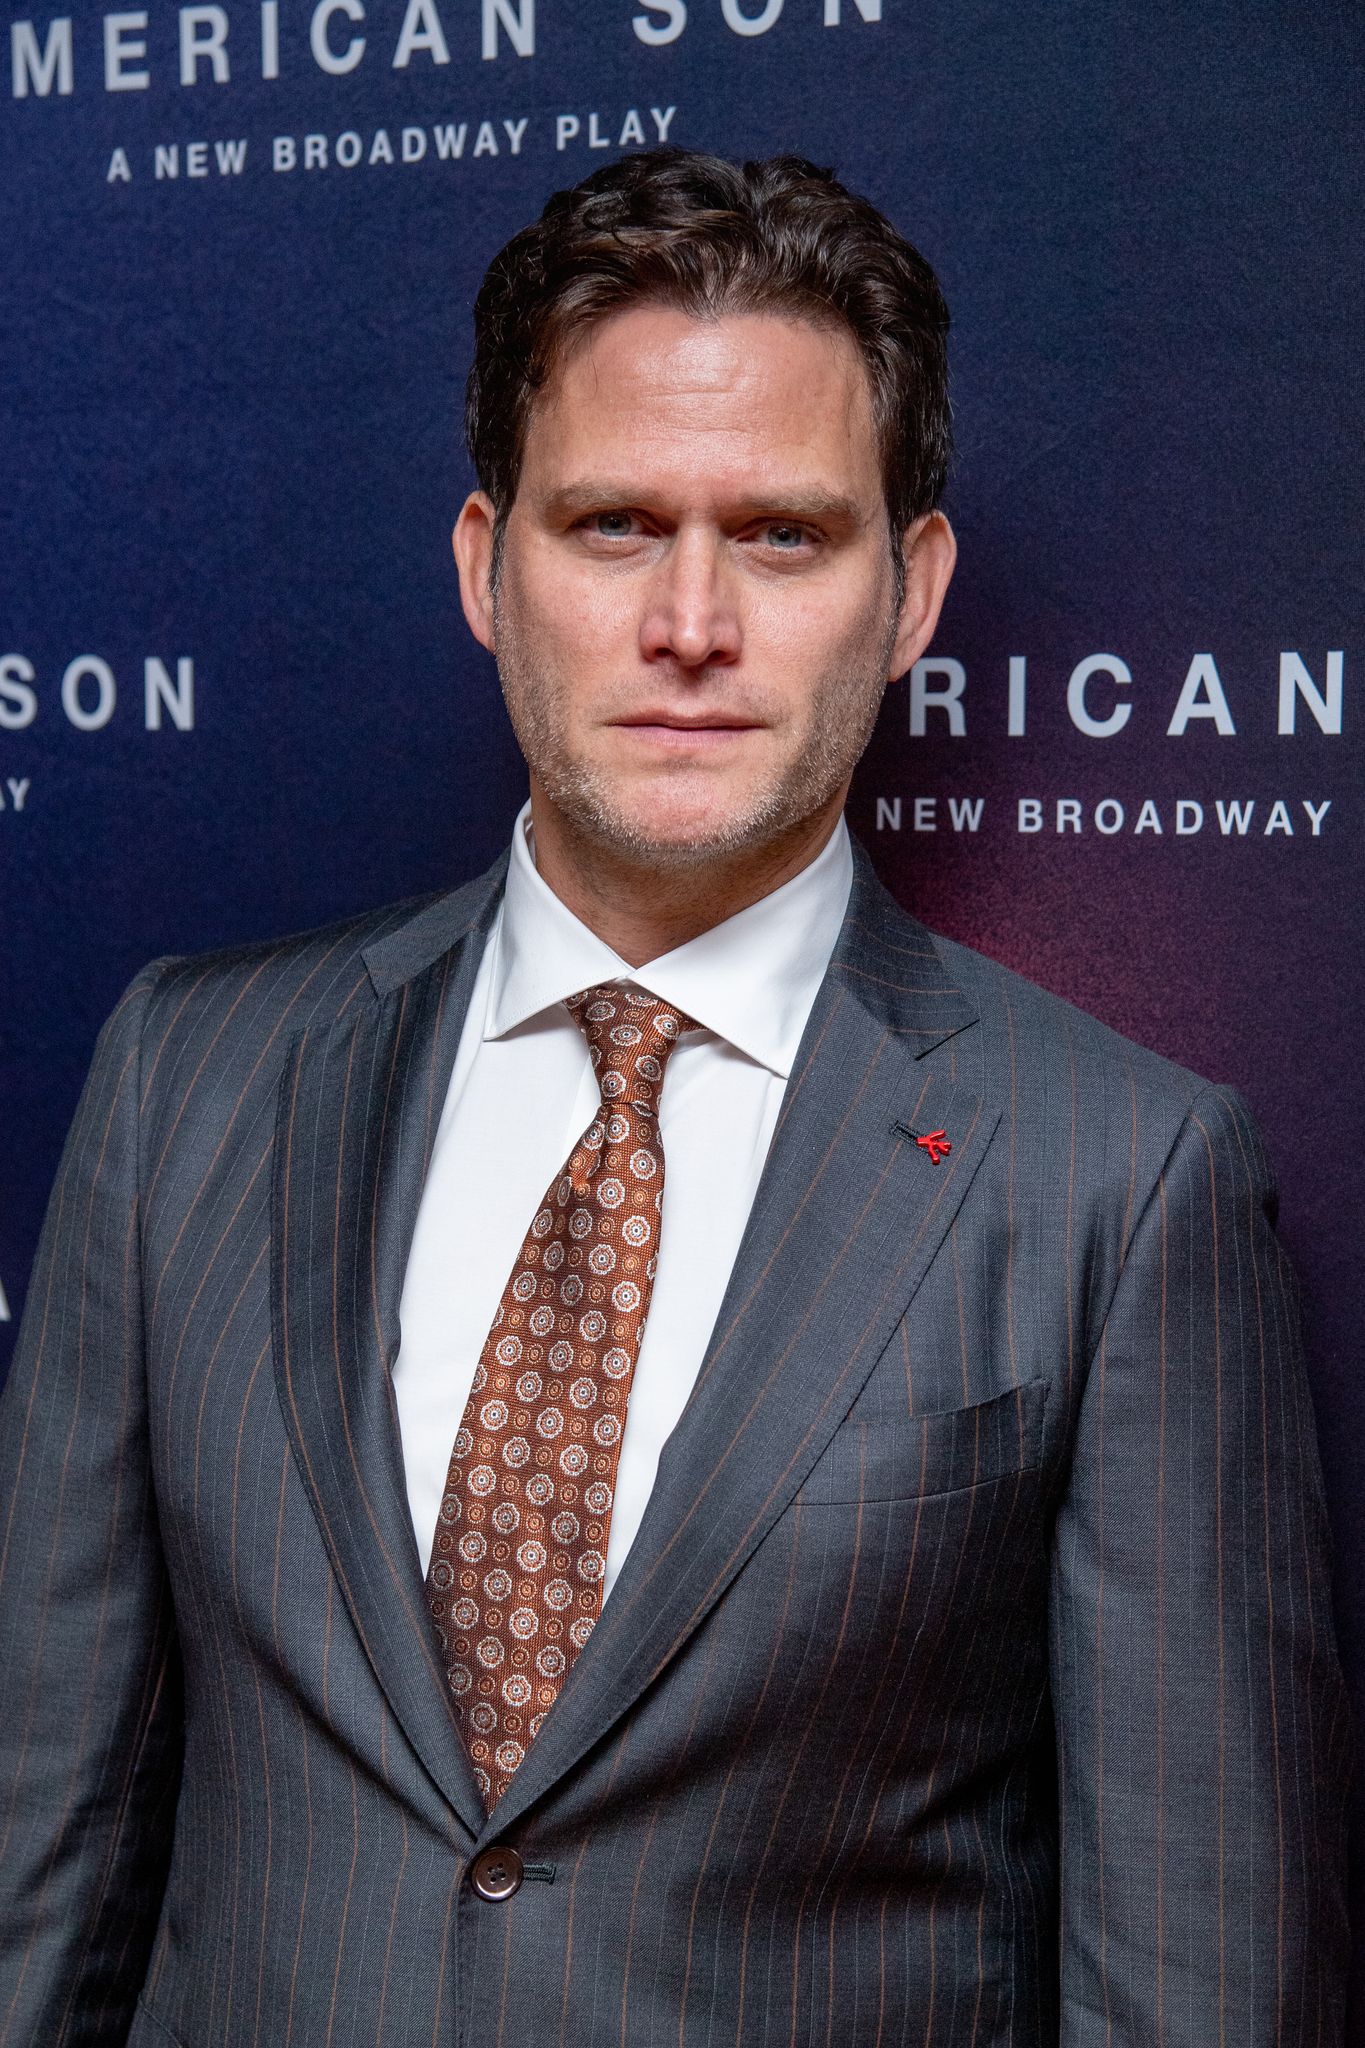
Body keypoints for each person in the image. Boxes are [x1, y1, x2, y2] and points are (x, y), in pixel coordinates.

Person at [0, 149, 1348, 2047]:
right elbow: (35, 1848)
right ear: (487, 566)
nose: (691, 621)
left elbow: (1202, 1972)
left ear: (910, 591)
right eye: (613, 525)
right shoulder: (186, 1076)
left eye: (784, 536)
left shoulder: (1123, 1176)